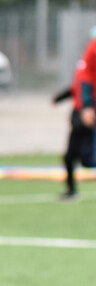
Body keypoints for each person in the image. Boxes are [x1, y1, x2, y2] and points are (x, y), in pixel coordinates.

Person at [52, 31, 96, 200]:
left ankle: (71, 191)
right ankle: (71, 190)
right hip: (81, 111)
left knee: (85, 158)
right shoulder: (85, 60)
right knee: (72, 156)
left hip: (86, 111)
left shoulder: (92, 49)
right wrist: (59, 98)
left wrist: (87, 108)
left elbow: (85, 84)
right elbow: (78, 86)